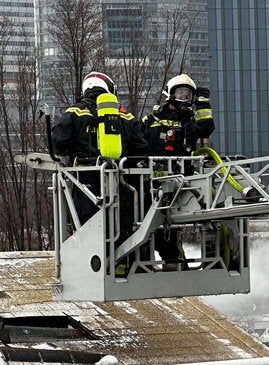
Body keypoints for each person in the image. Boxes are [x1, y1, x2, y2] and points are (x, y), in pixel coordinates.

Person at [51, 71, 149, 274]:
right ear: (109, 88)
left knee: (87, 224)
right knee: (122, 222)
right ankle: (121, 265)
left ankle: (91, 269)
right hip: (121, 179)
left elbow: (59, 143)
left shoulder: (75, 112)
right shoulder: (123, 113)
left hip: (85, 179)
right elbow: (140, 146)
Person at [141, 73, 216, 269]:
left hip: (181, 185)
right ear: (170, 94)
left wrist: (203, 102)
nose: (184, 97)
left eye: (188, 94)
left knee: (171, 237)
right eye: (181, 92)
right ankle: (142, 266)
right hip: (150, 185)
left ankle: (176, 267)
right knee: (143, 230)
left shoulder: (190, 122)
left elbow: (206, 127)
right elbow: (137, 144)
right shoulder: (152, 119)